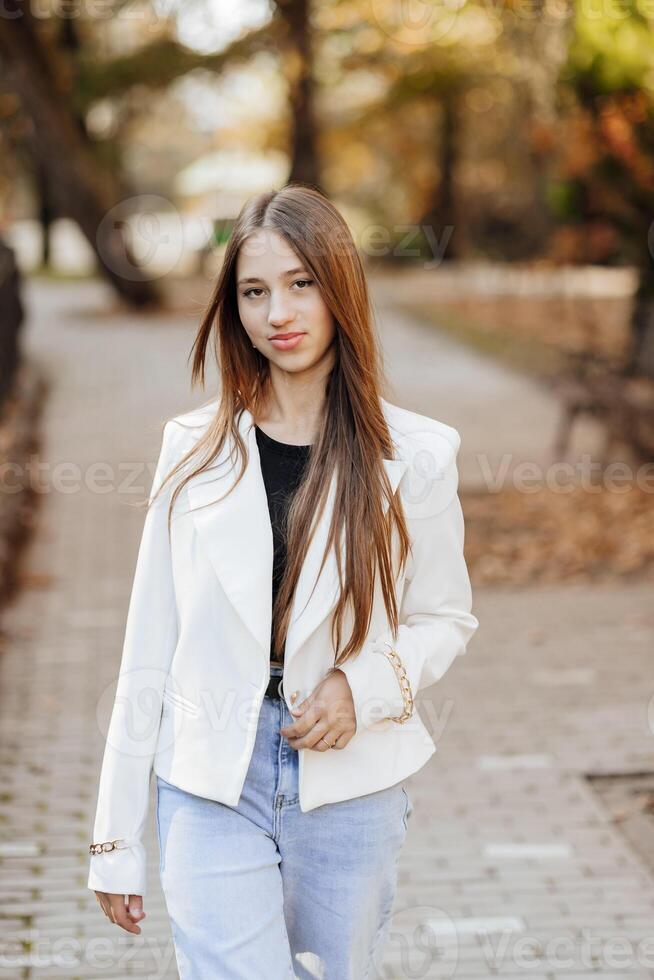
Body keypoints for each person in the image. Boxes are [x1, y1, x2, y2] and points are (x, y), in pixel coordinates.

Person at [87, 183, 479, 979]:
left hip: (349, 781)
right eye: (254, 292)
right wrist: (115, 840)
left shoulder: (416, 456)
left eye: (301, 284)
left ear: (340, 289)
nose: (279, 313)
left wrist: (359, 684)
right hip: (205, 777)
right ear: (233, 309)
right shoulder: (192, 450)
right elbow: (147, 644)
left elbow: (445, 617)